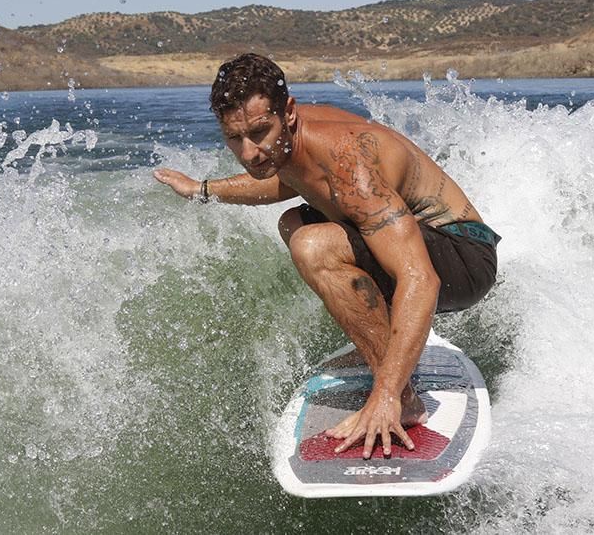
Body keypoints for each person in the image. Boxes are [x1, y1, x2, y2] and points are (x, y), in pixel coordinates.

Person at [153, 53, 500, 459]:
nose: (249, 153)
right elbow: (285, 179)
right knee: (294, 222)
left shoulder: (349, 164)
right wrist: (204, 189)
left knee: (313, 244)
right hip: (430, 245)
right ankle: (384, 346)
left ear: (290, 113)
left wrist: (386, 394)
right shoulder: (288, 141)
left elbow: (421, 280)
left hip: (465, 256)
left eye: (260, 133)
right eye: (235, 138)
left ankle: (402, 397)